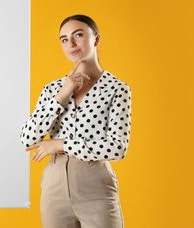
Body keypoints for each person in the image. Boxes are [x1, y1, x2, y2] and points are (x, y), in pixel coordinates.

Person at [20, 14, 131, 228]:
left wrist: (61, 144)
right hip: (54, 187)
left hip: (96, 186)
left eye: (78, 35)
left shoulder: (117, 89)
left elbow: (117, 148)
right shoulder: (53, 89)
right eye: (64, 39)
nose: (70, 43)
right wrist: (62, 95)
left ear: (96, 39)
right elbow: (27, 138)